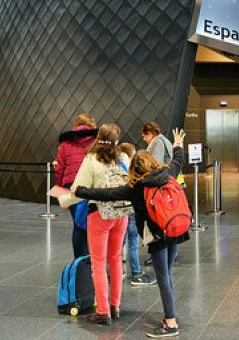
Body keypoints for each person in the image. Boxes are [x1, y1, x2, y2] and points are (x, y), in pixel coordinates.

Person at [76, 128, 190, 338]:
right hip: (176, 230)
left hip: (156, 235)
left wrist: (81, 191)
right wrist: (177, 143)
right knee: (168, 273)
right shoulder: (168, 173)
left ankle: (171, 322)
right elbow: (178, 159)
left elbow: (107, 194)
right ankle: (169, 314)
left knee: (162, 276)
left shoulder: (137, 187)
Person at [64, 123, 129, 325]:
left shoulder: (91, 160)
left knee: (98, 263)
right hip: (122, 214)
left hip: (100, 215)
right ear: (116, 141)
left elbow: (77, 189)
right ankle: (115, 306)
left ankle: (102, 311)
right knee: (116, 259)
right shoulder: (123, 158)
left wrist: (65, 202)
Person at [54, 113, 98, 258]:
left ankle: (80, 262)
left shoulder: (66, 144)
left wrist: (61, 196)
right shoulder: (96, 141)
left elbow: (59, 169)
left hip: (71, 185)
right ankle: (95, 260)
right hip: (92, 186)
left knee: (78, 226)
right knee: (94, 224)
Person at [117, 142, 156, 286]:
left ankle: (118, 271)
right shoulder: (131, 168)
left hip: (119, 210)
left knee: (120, 243)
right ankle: (136, 273)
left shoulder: (115, 165)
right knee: (133, 243)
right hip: (131, 210)